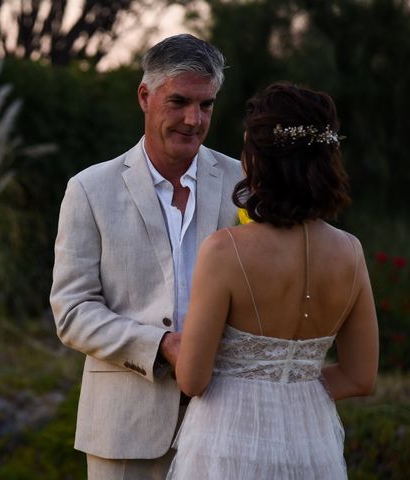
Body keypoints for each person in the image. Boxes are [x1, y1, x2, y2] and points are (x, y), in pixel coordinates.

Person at [50, 34, 242, 479]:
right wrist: (161, 346)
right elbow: (72, 310)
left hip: (226, 422)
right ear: (144, 96)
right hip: (123, 429)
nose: (194, 120)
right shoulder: (89, 190)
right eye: (179, 102)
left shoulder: (243, 181)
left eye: (206, 105)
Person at [167, 82, 379, 479]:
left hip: (228, 442)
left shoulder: (225, 250)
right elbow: (359, 376)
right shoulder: (351, 252)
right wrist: (289, 386)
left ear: (260, 159)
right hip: (311, 443)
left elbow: (193, 378)